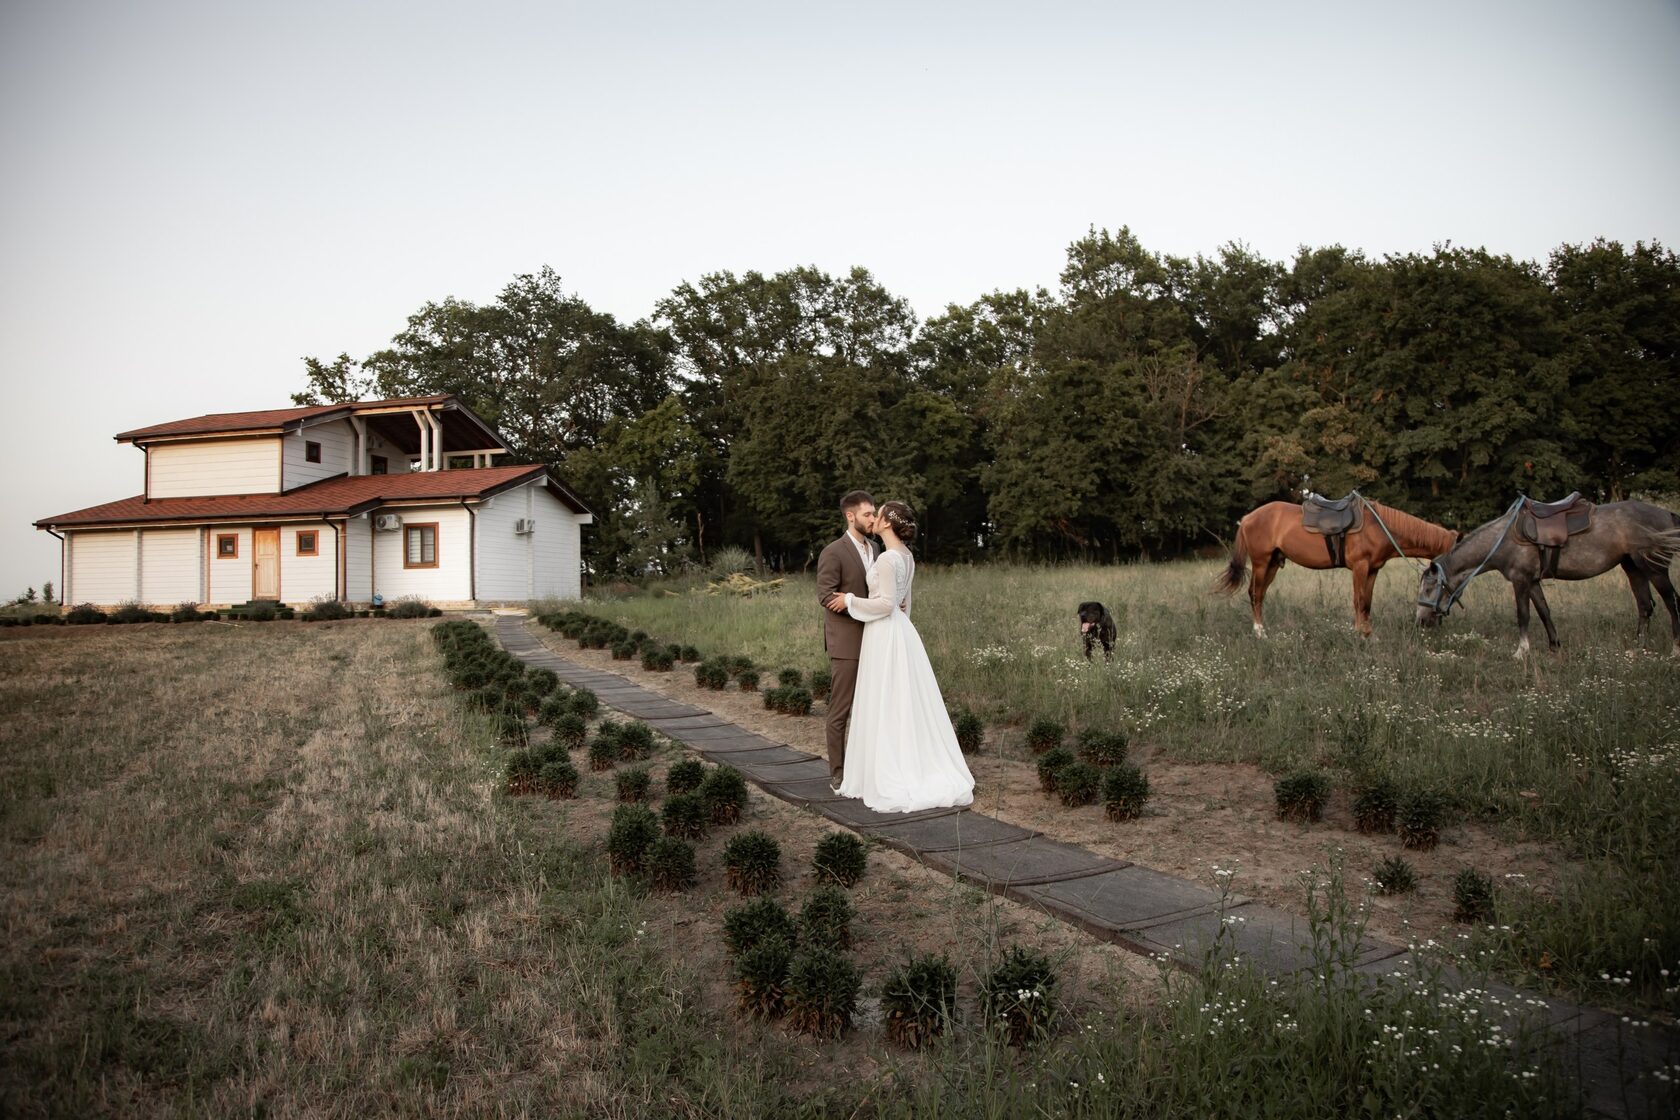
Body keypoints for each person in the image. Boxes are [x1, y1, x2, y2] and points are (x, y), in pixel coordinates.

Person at [824, 501, 974, 813]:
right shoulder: (906, 556)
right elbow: (905, 605)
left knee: (885, 700)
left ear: (887, 524)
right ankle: (903, 760)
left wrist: (850, 599)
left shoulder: (889, 559)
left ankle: (890, 770)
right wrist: (899, 620)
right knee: (899, 700)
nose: (873, 518)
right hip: (901, 632)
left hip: (884, 633)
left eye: (877, 515)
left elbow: (886, 604)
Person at [815, 490, 878, 792]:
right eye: (867, 514)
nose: (873, 518)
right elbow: (826, 595)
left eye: (874, 513)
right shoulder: (834, 551)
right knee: (841, 710)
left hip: (877, 639)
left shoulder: (877, 549)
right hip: (847, 642)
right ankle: (838, 775)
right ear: (850, 516)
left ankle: (867, 769)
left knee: (872, 707)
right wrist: (857, 606)